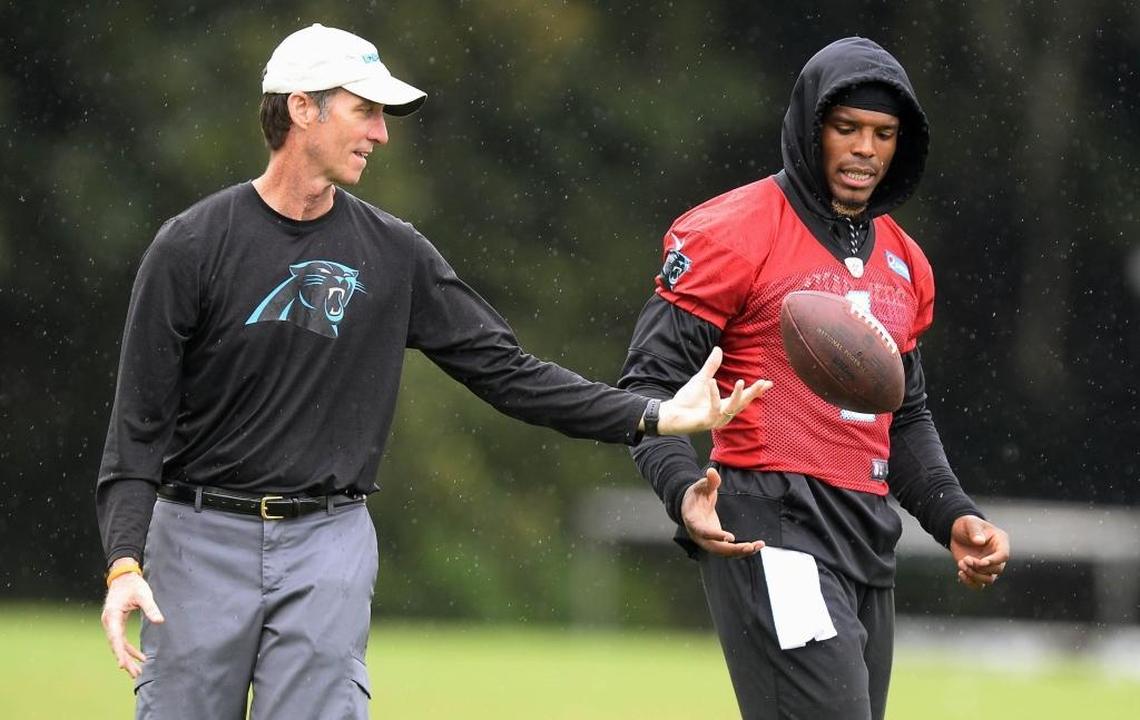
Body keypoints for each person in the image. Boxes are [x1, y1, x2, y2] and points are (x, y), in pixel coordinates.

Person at [96, 23, 770, 720]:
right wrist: (124, 564)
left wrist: (654, 414)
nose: (381, 134)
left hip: (328, 540)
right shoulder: (191, 246)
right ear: (302, 109)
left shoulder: (395, 253)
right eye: (365, 110)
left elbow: (508, 374)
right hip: (197, 539)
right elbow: (137, 429)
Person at [618, 37, 1011, 720]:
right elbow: (648, 382)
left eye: (884, 133)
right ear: (810, 127)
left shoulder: (906, 262)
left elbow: (904, 417)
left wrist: (955, 515)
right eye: (846, 127)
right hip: (773, 527)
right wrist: (683, 490)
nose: (866, 148)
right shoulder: (731, 231)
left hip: (867, 531)